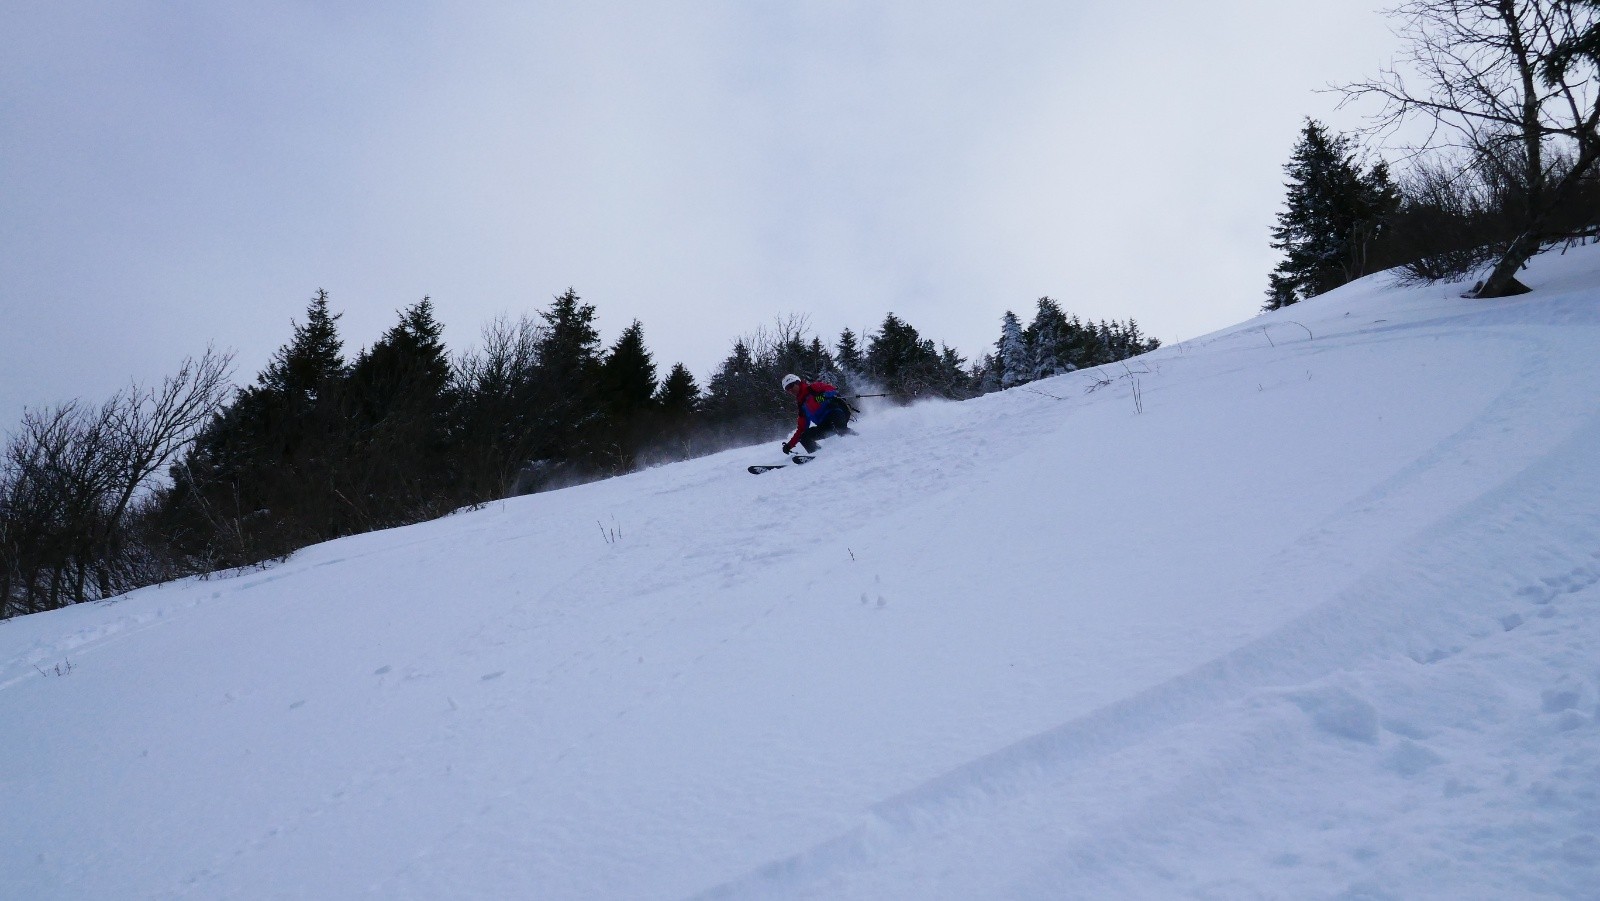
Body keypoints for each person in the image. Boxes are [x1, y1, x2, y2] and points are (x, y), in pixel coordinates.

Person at [781, 373, 851, 454]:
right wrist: (789, 445)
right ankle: (818, 455)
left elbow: (832, 390)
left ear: (797, 382)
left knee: (840, 429)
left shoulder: (813, 388)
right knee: (804, 437)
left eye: (790, 386)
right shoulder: (802, 406)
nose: (790, 390)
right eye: (787, 389)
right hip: (825, 426)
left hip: (836, 414)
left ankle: (859, 441)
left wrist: (824, 395)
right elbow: (801, 428)